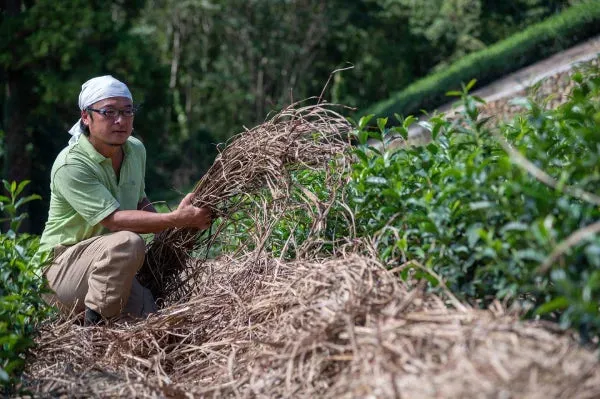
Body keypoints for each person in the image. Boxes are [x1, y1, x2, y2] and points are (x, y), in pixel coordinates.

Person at [39, 75, 211, 325]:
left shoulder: (135, 150)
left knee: (149, 319)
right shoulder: (71, 164)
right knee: (128, 242)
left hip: (109, 269)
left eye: (127, 111)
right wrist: (175, 219)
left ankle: (96, 317)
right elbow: (114, 220)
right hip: (61, 272)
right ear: (86, 117)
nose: (120, 120)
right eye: (108, 112)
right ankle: (92, 335)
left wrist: (168, 228)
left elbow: (140, 199)